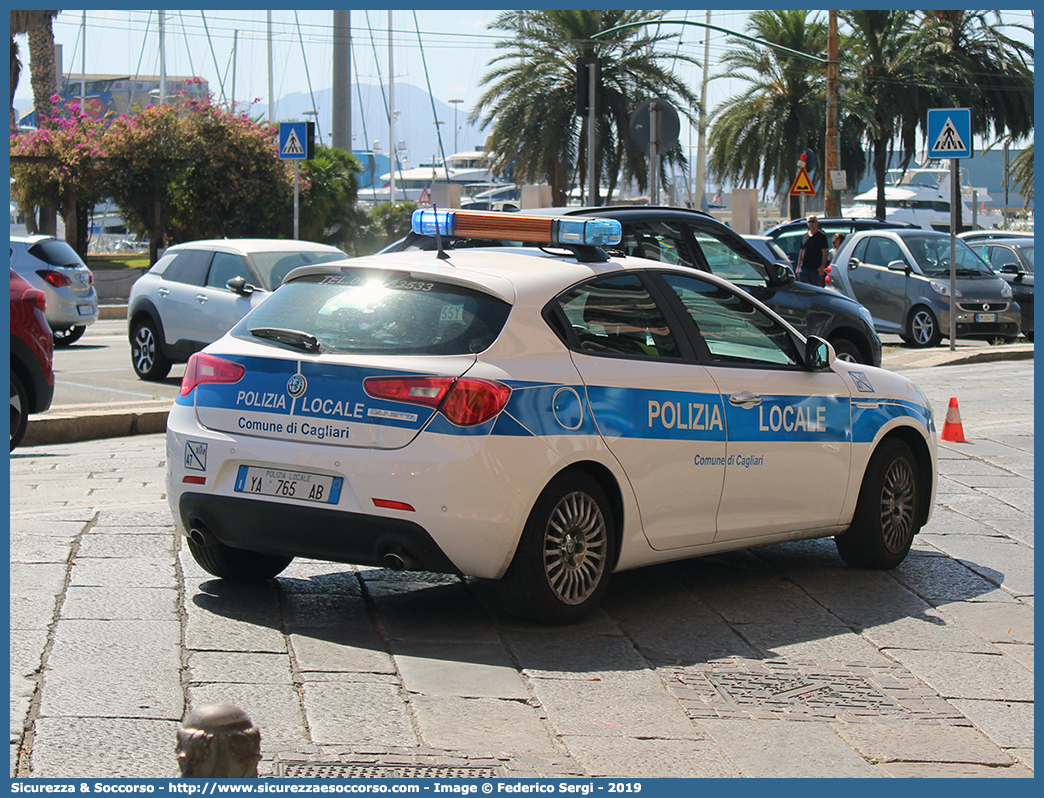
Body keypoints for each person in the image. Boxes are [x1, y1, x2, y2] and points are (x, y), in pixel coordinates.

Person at [796, 215, 829, 286]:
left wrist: (822, 267)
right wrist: (798, 267)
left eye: (813, 221)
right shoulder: (805, 236)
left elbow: (825, 252)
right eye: (809, 222)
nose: (811, 223)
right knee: (804, 289)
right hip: (804, 268)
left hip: (816, 269)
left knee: (816, 290)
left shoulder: (821, 236)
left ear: (817, 223)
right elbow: (801, 251)